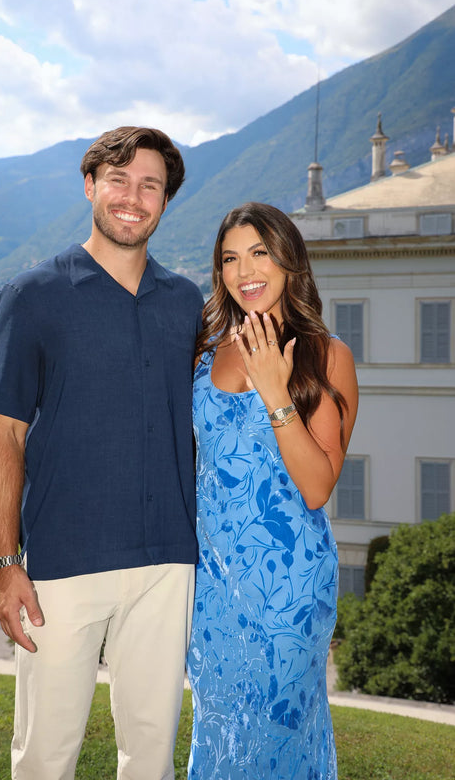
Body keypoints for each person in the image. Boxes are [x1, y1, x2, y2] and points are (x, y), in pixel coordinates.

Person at [0, 126, 203, 780]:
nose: (133, 196)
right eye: (119, 179)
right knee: (45, 758)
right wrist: (4, 563)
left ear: (165, 201)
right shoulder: (32, 295)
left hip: (167, 564)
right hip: (61, 566)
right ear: (90, 186)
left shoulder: (186, 301)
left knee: (152, 758)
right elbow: (2, 433)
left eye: (150, 185)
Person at [186, 202, 358, 779]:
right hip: (211, 586)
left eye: (260, 252)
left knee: (275, 736)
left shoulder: (327, 355)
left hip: (289, 587)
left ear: (289, 261)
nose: (244, 270)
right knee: (219, 733)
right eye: (230, 258)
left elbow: (316, 487)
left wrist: (274, 391)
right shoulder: (203, 351)